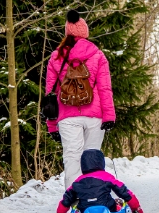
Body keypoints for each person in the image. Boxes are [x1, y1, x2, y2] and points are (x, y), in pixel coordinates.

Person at [45, 10, 115, 190]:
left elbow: (50, 94)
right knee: (91, 158)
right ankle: (93, 198)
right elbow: (105, 88)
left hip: (67, 116)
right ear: (85, 32)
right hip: (95, 116)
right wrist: (109, 116)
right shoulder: (98, 55)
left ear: (67, 31)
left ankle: (73, 200)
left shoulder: (56, 57)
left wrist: (52, 125)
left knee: (72, 158)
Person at [53, 149, 144, 213]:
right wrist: (136, 208)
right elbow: (124, 192)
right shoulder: (107, 177)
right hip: (108, 208)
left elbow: (66, 199)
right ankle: (117, 211)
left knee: (78, 204)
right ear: (101, 162)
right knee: (118, 201)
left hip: (85, 209)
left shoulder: (77, 181)